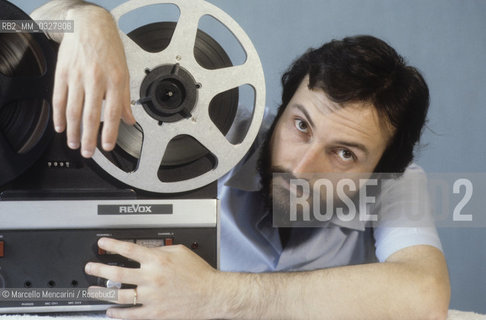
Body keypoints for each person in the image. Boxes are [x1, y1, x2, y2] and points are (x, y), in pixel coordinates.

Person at [32, 1, 450, 319]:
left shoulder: (399, 183)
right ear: (281, 109)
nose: (301, 168)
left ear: (382, 171)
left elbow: (425, 293)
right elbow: (26, 28)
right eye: (301, 125)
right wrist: (84, 20)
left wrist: (216, 295)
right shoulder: (215, 132)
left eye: (344, 153)